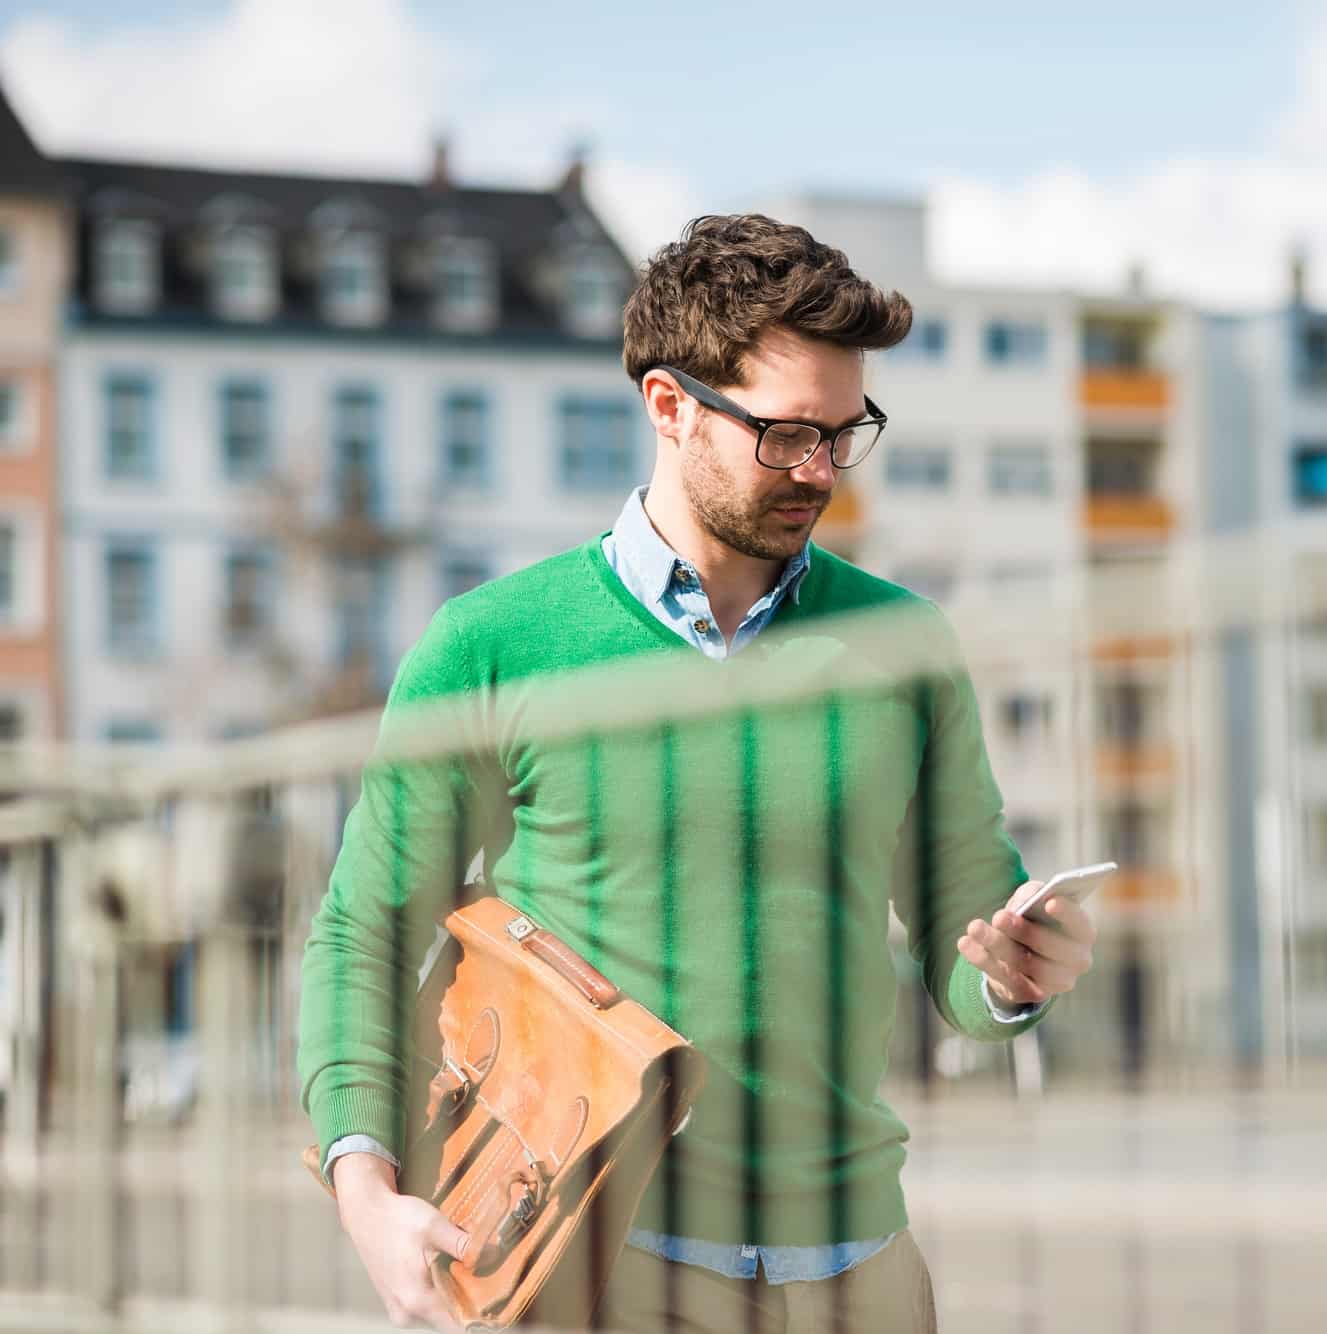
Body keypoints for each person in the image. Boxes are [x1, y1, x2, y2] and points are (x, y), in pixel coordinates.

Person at [295, 214, 1099, 1333]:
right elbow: (365, 931)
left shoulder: (903, 641)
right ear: (669, 406)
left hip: (859, 1273)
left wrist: (1012, 971)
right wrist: (366, 1191)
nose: (820, 469)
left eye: (843, 429)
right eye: (784, 435)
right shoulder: (492, 642)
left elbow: (962, 939)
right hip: (595, 1265)